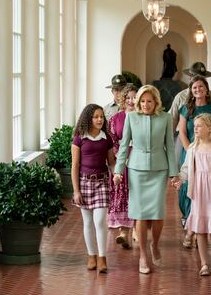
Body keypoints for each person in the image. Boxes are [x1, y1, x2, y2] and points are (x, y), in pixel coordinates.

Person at [113, 85, 177, 274]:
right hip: (136, 170)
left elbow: (170, 147)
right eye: (142, 101)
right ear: (138, 102)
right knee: (140, 213)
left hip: (159, 169)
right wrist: (118, 171)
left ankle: (154, 245)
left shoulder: (165, 118)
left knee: (157, 213)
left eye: (149, 101)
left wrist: (173, 173)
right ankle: (142, 255)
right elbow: (124, 146)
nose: (146, 104)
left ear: (156, 101)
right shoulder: (131, 118)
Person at [174, 113, 211, 276]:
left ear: (209, 128)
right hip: (199, 191)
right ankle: (205, 263)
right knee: (200, 227)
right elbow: (186, 168)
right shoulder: (193, 147)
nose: (195, 128)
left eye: (199, 126)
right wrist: (180, 179)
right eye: (195, 126)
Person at [178, 75, 211, 248]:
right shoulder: (186, 109)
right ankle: (192, 227)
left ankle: (195, 232)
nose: (198, 90)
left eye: (201, 86)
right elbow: (182, 132)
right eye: (194, 87)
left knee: (207, 193)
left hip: (210, 155)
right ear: (191, 90)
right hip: (191, 152)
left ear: (206, 88)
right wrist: (191, 150)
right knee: (190, 191)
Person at [71, 104, 115, 273]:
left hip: (102, 182)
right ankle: (92, 256)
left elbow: (111, 161)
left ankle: (102, 258)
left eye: (101, 117)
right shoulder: (79, 138)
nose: (99, 120)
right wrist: (76, 191)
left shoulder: (107, 138)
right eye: (96, 117)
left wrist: (116, 173)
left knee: (99, 221)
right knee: (88, 222)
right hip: (83, 183)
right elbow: (75, 165)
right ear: (88, 118)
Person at [169, 62, 211, 163]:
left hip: (209, 144)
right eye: (195, 76)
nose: (198, 89)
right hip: (185, 139)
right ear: (190, 77)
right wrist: (169, 144)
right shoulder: (180, 97)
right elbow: (173, 120)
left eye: (202, 77)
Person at [107, 83, 138, 249]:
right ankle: (123, 232)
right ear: (123, 99)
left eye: (134, 97)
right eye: (128, 97)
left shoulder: (144, 117)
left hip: (139, 162)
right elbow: (111, 140)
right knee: (122, 195)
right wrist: (119, 157)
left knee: (137, 195)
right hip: (122, 161)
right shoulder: (115, 119)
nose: (131, 101)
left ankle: (135, 230)